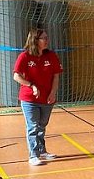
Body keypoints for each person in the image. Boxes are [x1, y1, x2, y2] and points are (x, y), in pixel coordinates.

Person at [13, 28, 63, 166]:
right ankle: (33, 155)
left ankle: (42, 151)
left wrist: (53, 92)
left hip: (47, 99)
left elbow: (56, 76)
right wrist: (31, 85)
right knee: (33, 126)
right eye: (43, 38)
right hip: (29, 99)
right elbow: (16, 76)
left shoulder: (51, 56)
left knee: (42, 125)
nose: (47, 40)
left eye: (47, 37)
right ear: (35, 40)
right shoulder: (25, 56)